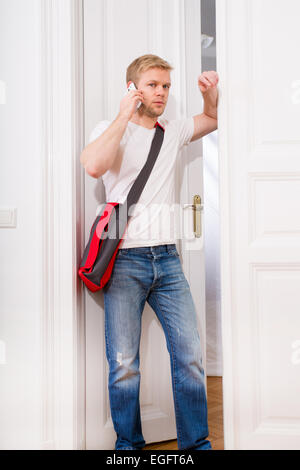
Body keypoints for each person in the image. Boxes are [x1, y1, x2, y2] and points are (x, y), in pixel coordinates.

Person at [80, 54, 219, 450]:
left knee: (190, 358)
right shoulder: (111, 128)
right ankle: (129, 447)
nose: (161, 93)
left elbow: (212, 120)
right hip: (124, 259)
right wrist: (125, 115)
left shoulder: (172, 130)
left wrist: (211, 98)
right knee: (124, 364)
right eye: (153, 85)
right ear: (134, 87)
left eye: (166, 87)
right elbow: (92, 166)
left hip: (168, 260)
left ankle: (196, 445)